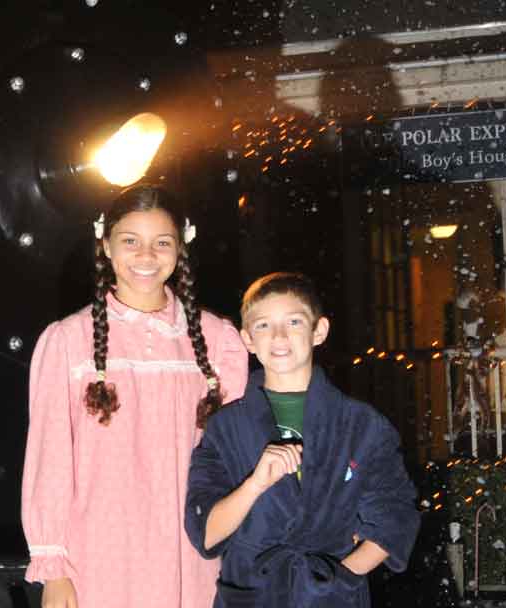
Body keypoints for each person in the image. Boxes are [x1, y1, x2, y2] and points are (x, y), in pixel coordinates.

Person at [21, 184, 250, 608]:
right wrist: (53, 568)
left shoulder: (219, 341)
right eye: (130, 241)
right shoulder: (69, 340)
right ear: (106, 245)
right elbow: (49, 459)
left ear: (181, 247)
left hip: (190, 558)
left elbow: (234, 458)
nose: (146, 256)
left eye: (162, 242)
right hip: (99, 559)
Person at [185, 272, 419, 607]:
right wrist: (254, 485)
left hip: (333, 598)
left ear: (318, 331)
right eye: (263, 325)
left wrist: (339, 578)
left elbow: (394, 515)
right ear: (247, 339)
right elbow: (206, 534)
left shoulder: (361, 424)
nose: (279, 336)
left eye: (294, 322)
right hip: (250, 596)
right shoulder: (225, 427)